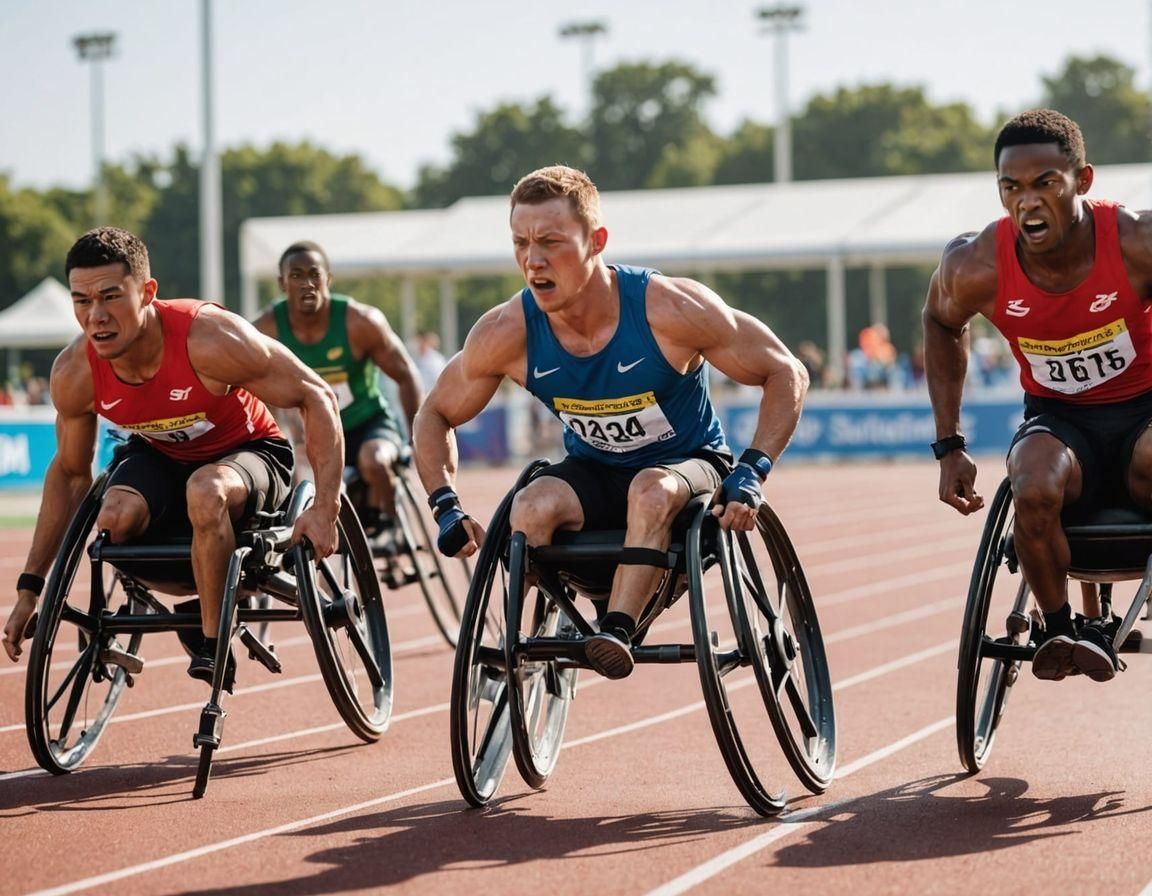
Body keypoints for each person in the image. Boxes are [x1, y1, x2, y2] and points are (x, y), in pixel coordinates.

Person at [413, 165, 809, 679]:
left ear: (596, 241)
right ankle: (521, 648)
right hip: (596, 472)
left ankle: (615, 632)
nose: (533, 261)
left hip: (687, 468)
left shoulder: (669, 308)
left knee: (649, 489)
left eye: (551, 242)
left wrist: (753, 471)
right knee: (530, 506)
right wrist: (445, 505)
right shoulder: (507, 332)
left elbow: (786, 372)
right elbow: (435, 413)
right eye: (521, 243)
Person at [1, 227, 345, 685]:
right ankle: (198, 588)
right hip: (163, 454)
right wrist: (30, 589)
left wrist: (326, 506)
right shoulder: (75, 372)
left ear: (146, 292)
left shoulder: (210, 338)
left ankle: (210, 639)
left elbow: (317, 395)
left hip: (249, 451)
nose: (96, 316)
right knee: (114, 516)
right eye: (81, 301)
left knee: (206, 489)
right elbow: (68, 476)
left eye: (110, 296)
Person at [923, 108, 1152, 684]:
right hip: (1060, 418)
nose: (1027, 202)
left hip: (1145, 410)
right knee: (1032, 476)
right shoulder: (976, 264)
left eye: (1045, 183)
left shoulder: (1135, 242)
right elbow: (940, 321)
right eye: (1011, 187)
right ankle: (1058, 629)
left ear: (1083, 180)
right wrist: (949, 444)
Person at [254, 241, 422, 534]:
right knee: (289, 484)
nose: (307, 283)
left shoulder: (360, 322)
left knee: (374, 461)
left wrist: (415, 438)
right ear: (282, 283)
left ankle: (390, 521)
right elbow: (253, 388)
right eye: (296, 275)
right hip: (315, 431)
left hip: (366, 423)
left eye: (314, 274)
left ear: (327, 278)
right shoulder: (265, 330)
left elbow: (406, 374)